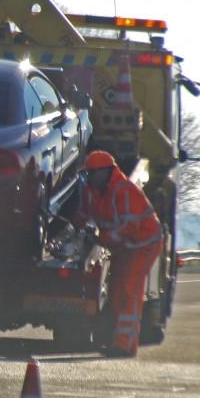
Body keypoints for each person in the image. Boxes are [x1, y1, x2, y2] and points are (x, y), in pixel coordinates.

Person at [75, 150, 162, 357]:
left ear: (105, 173)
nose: (90, 178)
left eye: (93, 174)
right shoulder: (93, 190)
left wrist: (101, 239)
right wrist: (74, 227)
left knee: (130, 290)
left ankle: (126, 346)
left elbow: (130, 228)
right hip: (124, 246)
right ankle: (112, 338)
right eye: (88, 174)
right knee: (115, 291)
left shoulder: (123, 191)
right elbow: (85, 214)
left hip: (143, 244)